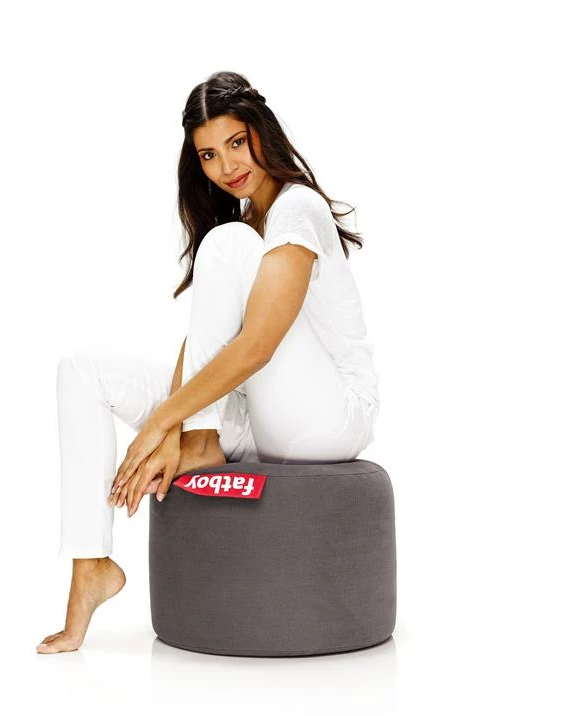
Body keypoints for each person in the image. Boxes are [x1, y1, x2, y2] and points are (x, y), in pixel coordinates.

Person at [37, 71, 379, 654]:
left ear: (262, 131)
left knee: (226, 243)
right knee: (81, 373)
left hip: (331, 416)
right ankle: (90, 569)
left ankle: (201, 444)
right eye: (209, 155)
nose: (227, 166)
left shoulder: (297, 209)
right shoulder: (247, 225)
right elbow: (203, 343)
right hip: (263, 415)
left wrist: (164, 424)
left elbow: (257, 346)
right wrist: (171, 426)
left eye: (236, 143)